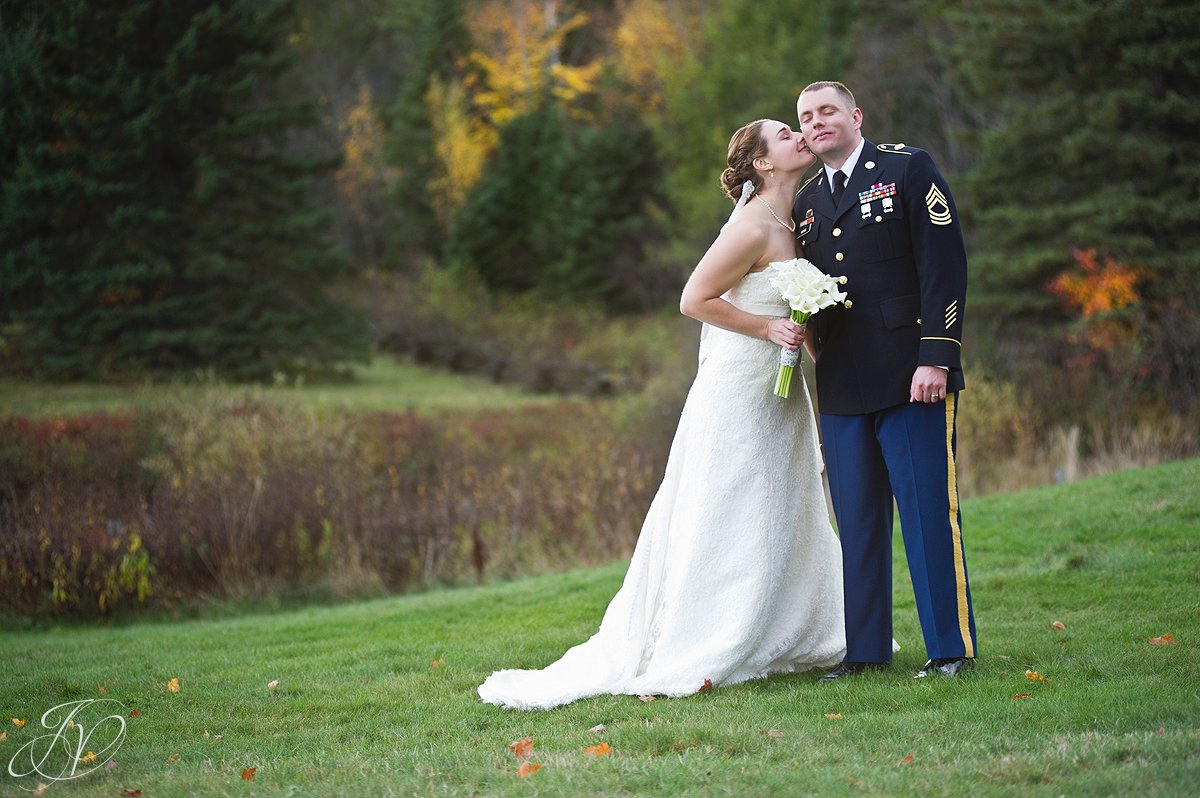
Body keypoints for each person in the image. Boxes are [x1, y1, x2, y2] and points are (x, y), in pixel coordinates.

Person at [477, 120, 846, 710]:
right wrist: (766, 326)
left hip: (779, 390)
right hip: (738, 390)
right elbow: (693, 299)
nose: (798, 135)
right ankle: (717, 635)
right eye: (784, 134)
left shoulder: (792, 219)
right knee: (731, 501)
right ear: (762, 163)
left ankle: (788, 631)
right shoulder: (751, 226)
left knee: (783, 499)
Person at [792, 81, 978, 680]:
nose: (817, 122)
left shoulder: (905, 168)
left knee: (927, 515)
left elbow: (943, 265)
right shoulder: (806, 202)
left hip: (910, 375)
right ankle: (866, 652)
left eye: (827, 111)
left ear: (855, 116)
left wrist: (938, 357)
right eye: (806, 116)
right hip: (844, 384)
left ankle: (950, 649)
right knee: (859, 522)